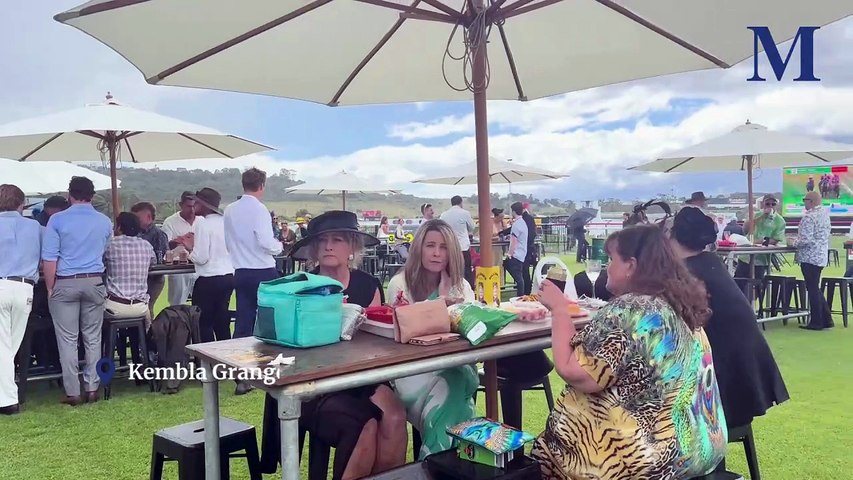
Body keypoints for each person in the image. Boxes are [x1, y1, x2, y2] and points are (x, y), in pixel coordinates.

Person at [531, 225, 727, 479]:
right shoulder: (682, 306)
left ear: (631, 265)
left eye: (611, 259)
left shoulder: (630, 310)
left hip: (642, 462)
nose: (607, 267)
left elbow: (575, 372)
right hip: (697, 449)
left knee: (548, 452)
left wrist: (558, 309)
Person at [261, 211, 407, 479]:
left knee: (396, 416)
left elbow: (375, 341)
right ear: (314, 248)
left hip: (360, 377)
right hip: (311, 383)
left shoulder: (368, 285)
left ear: (352, 246)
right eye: (323, 240)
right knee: (366, 425)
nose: (329, 246)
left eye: (337, 239)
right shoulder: (299, 287)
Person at [670, 207, 789, 471]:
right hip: (747, 381)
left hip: (724, 393)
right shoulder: (711, 263)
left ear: (673, 236)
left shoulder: (687, 272)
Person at [387, 220, 478, 459]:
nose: (437, 253)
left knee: (456, 381)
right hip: (412, 372)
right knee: (456, 396)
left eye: (443, 247)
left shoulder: (461, 286)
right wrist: (441, 303)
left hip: (455, 366)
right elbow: (406, 329)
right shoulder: (400, 285)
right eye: (430, 245)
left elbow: (471, 324)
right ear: (419, 248)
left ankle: (436, 464)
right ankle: (448, 464)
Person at [42, 176, 112, 406]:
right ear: (92, 195)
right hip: (94, 281)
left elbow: (50, 258)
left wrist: (50, 287)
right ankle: (92, 387)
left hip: (66, 281)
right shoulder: (104, 221)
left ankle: (73, 391)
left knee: (68, 340)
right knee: (93, 337)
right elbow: (105, 250)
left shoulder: (57, 220)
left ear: (69, 195)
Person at [223, 168, 283, 395]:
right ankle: (271, 367)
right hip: (262, 269)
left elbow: (228, 242)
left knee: (243, 322)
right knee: (271, 321)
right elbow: (266, 242)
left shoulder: (229, 209)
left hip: (240, 270)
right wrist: (279, 246)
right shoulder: (259, 209)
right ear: (262, 185)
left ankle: (241, 375)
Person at [0, 184, 41, 415]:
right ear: (21, 203)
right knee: (9, 346)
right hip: (25, 287)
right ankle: (7, 397)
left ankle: (8, 401)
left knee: (4, 347)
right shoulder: (35, 226)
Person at [182, 188, 234, 343]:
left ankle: (207, 363)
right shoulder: (225, 222)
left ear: (204, 204)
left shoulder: (202, 224)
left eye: (196, 202)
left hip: (208, 279)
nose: (194, 206)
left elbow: (202, 257)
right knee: (222, 322)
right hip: (227, 276)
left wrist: (190, 248)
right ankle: (226, 359)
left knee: (204, 323)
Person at [103, 212, 155, 325]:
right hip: (140, 307)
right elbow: (153, 263)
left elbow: (101, 263)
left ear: (119, 227)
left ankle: (111, 342)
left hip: (114, 306)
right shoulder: (146, 245)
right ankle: (138, 341)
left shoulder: (110, 244)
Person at [797, 191, 833, 330]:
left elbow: (805, 240)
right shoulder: (825, 215)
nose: (804, 202)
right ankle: (826, 319)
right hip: (820, 255)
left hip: (809, 256)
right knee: (815, 288)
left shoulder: (809, 217)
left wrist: (793, 242)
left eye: (804, 200)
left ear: (810, 201)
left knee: (812, 289)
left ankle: (817, 321)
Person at [735, 195, 785, 292]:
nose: (770, 206)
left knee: (758, 285)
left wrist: (762, 241)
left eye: (773, 204)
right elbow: (745, 228)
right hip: (745, 256)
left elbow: (777, 238)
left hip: (762, 258)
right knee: (739, 283)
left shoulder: (780, 220)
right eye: (767, 203)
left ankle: (752, 303)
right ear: (763, 204)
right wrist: (762, 217)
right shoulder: (755, 215)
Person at [131, 202, 169, 317]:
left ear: (148, 217)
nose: (135, 221)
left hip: (153, 279)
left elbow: (160, 259)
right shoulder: (135, 232)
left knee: (147, 308)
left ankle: (149, 333)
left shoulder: (159, 234)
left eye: (137, 218)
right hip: (138, 279)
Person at [161, 191, 197, 306]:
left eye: (194, 206)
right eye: (188, 206)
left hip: (198, 266)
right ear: (181, 205)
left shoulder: (201, 220)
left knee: (202, 303)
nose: (192, 210)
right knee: (177, 302)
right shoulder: (170, 222)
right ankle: (177, 321)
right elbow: (164, 246)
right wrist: (178, 241)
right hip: (178, 269)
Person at [439, 195, 475, 288]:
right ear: (461, 202)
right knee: (466, 270)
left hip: (450, 247)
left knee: (450, 270)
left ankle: (451, 289)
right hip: (463, 246)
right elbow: (472, 227)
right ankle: (468, 290)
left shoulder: (444, 215)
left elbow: (441, 229)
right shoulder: (465, 213)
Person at [503, 202, 528, 297]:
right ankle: (520, 294)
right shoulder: (522, 223)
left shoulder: (516, 225)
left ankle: (520, 295)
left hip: (516, 254)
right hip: (521, 253)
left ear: (513, 212)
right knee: (519, 276)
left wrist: (509, 254)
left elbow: (514, 241)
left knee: (518, 277)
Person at [521, 203, 537, 295]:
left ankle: (526, 289)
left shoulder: (524, 219)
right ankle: (527, 288)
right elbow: (533, 233)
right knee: (525, 270)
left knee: (524, 269)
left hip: (526, 247)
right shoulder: (530, 218)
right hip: (529, 247)